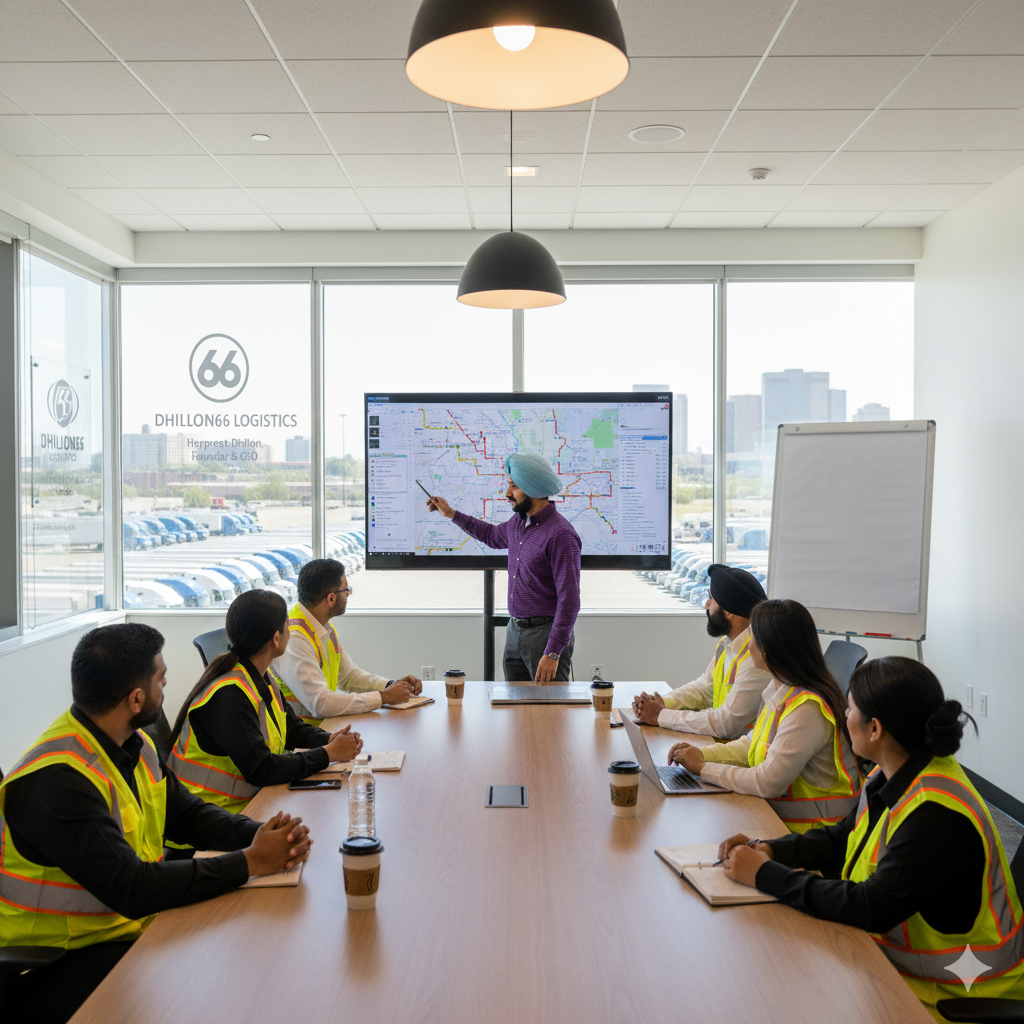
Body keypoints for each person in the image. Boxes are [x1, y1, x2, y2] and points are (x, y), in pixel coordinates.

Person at [0, 623, 311, 1024]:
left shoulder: (134, 744)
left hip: (126, 931)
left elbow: (186, 816)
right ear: (136, 699)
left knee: (250, 962)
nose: (167, 685)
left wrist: (264, 835)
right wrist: (251, 862)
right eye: (161, 678)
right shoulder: (59, 781)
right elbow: (131, 887)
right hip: (55, 965)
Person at [718, 657, 1024, 1018]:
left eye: (848, 709)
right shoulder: (897, 771)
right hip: (893, 967)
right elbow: (843, 837)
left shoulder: (934, 815)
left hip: (952, 995)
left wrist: (764, 875)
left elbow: (872, 906)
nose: (844, 717)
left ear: (874, 728)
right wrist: (770, 849)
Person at [669, 599, 861, 833]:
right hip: (780, 823)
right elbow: (751, 745)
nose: (748, 645)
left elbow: (767, 782)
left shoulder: (807, 708)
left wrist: (703, 769)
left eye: (752, 637)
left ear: (769, 648)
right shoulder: (782, 690)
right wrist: (701, 755)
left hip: (813, 835)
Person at [168, 589, 363, 819]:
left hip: (244, 807)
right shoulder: (229, 695)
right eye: (287, 627)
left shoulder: (261, 677)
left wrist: (329, 740)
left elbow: (290, 727)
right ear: (276, 638)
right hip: (210, 822)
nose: (290, 632)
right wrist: (327, 754)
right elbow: (262, 769)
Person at [426, 452, 581, 684]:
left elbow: (569, 600)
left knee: (550, 712)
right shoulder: (518, 523)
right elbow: (490, 535)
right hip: (514, 631)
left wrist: (553, 652)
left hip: (545, 636)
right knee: (515, 711)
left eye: (514, 486)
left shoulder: (561, 535)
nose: (507, 493)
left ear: (533, 488)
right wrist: (451, 514)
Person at [273, 558, 422, 724]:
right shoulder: (295, 637)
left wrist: (390, 685)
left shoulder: (322, 628)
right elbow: (320, 704)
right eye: (346, 590)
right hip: (299, 744)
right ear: (331, 599)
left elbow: (348, 677)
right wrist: (383, 697)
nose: (348, 594)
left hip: (320, 733)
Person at [632, 564, 769, 738]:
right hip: (720, 749)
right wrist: (660, 703)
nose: (706, 604)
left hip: (739, 758)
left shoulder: (756, 659)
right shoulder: (728, 645)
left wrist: (660, 715)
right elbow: (704, 689)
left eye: (711, 598)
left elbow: (725, 723)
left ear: (728, 612)